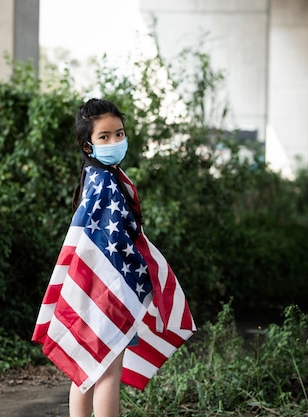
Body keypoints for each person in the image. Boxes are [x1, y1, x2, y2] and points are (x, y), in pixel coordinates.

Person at [32, 98, 196, 417]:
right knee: (108, 373)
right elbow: (117, 245)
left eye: (119, 133)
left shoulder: (98, 176)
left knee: (86, 374)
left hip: (91, 289)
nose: (115, 141)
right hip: (109, 292)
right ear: (87, 145)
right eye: (104, 137)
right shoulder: (106, 182)